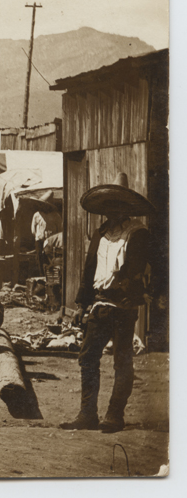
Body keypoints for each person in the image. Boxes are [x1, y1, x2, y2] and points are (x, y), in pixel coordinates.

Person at [61, 173, 160, 434]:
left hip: (124, 309)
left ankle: (114, 415)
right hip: (99, 306)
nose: (112, 211)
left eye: (118, 205)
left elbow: (148, 266)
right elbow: (89, 269)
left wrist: (137, 291)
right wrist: (82, 304)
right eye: (109, 206)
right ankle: (87, 414)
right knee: (87, 358)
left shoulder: (138, 233)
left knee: (122, 361)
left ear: (126, 208)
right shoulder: (100, 234)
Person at [27, 193, 63, 275]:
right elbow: (33, 230)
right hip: (39, 241)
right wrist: (39, 237)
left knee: (51, 260)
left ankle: (51, 277)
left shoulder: (56, 216)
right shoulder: (37, 215)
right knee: (40, 259)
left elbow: (59, 230)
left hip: (51, 242)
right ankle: (42, 276)